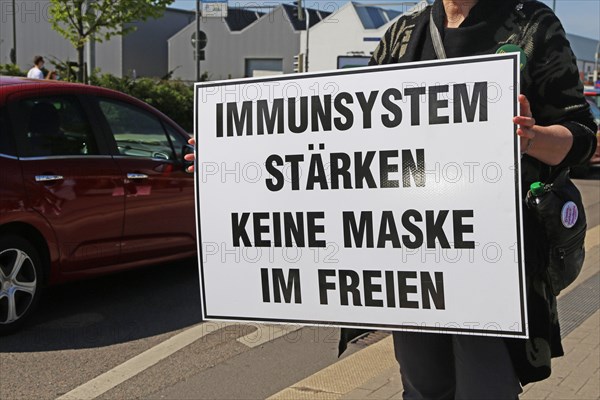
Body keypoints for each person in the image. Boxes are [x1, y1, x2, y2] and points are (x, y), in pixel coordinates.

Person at [186, 0, 597, 397]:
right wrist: (230, 154)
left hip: (492, 259)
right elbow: (343, 136)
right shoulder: (402, 34)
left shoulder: (533, 26)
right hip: (410, 253)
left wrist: (531, 138)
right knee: (422, 386)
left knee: (486, 386)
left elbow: (581, 134)